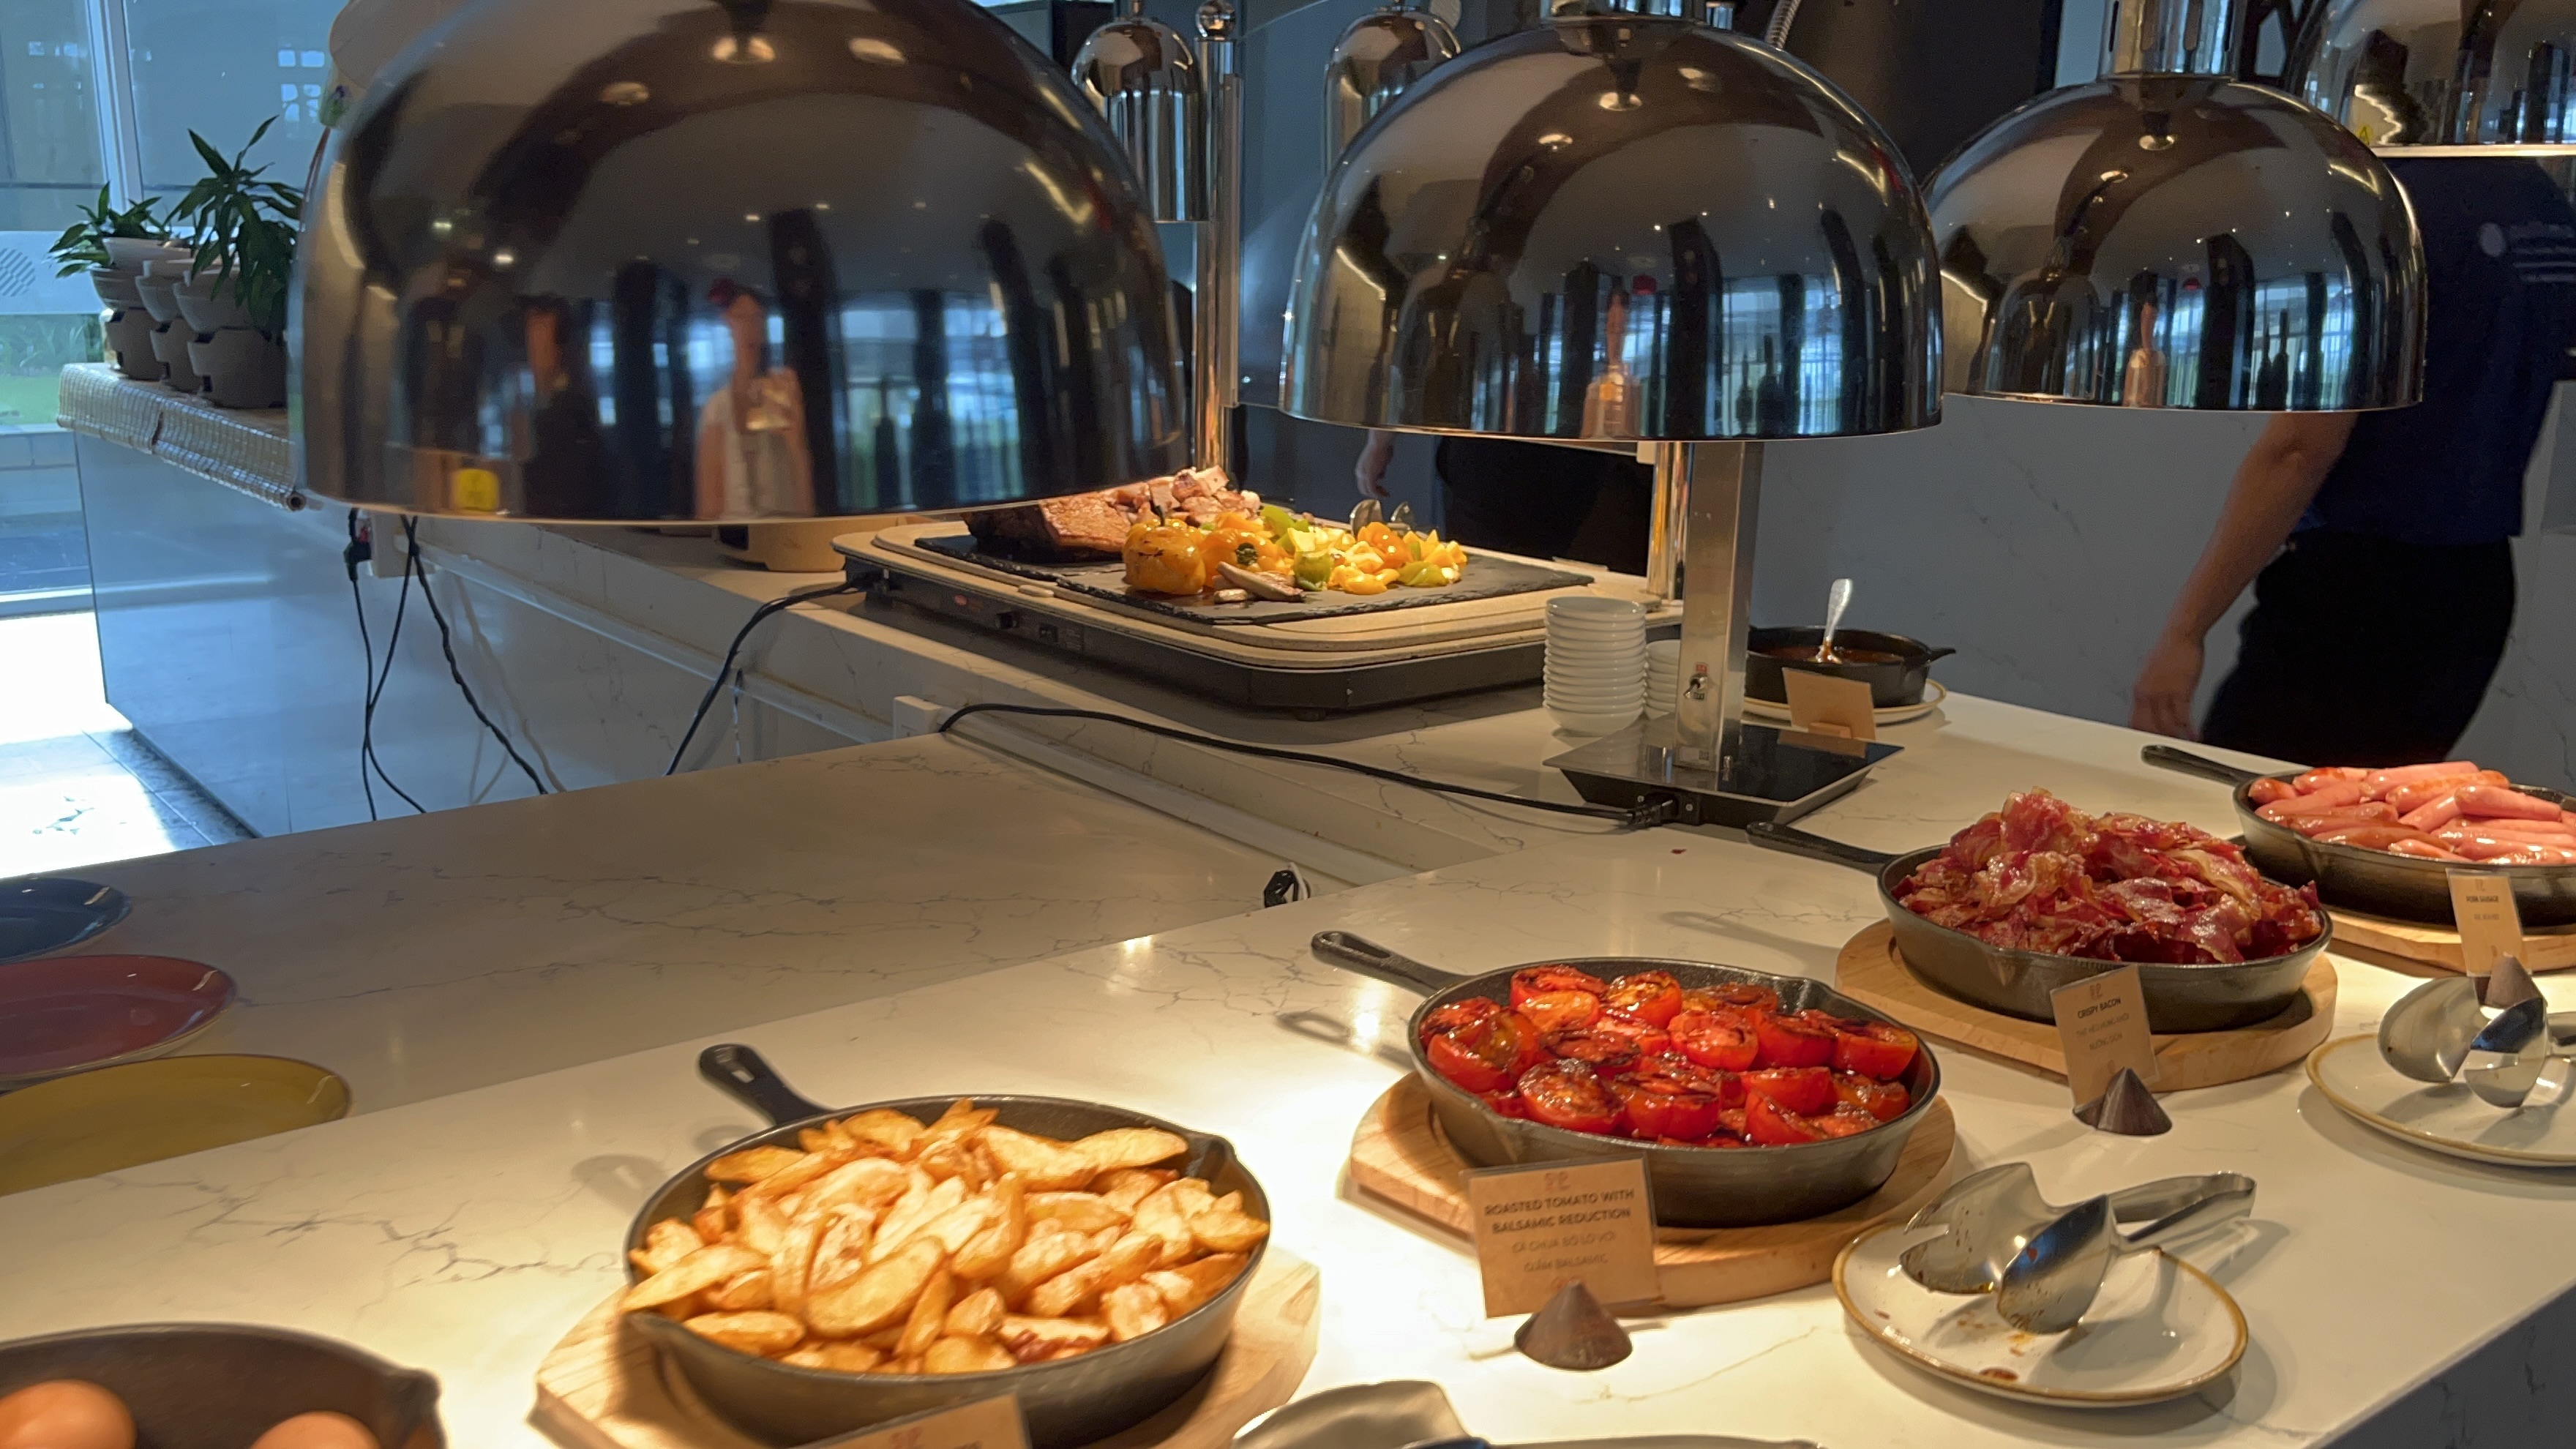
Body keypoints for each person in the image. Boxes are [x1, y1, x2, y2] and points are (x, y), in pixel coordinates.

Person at [2131, 158, 2576, 764]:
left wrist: (2184, 632)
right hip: (2477, 588)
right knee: (2366, 810)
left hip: (2355, 594)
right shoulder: (2545, 205)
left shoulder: (2383, 202)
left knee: (2257, 806)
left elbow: (2301, 450)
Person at [694, 280, 816, 520]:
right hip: (733, 531)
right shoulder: (717, 408)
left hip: (781, 529)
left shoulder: (781, 394)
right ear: (728, 324)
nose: (749, 327)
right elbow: (708, 506)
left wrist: (795, 435)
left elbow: (805, 500)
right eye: (740, 317)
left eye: (756, 318)